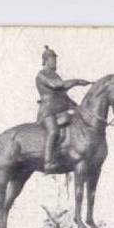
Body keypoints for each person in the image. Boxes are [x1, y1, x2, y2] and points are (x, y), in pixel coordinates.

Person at [35, 45, 91, 173]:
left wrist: (78, 107)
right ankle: (48, 162)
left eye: (55, 59)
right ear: (45, 60)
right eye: (52, 59)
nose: (55, 62)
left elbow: (63, 95)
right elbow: (57, 85)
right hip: (47, 112)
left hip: (60, 111)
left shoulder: (55, 75)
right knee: (53, 131)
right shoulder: (42, 75)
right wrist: (77, 81)